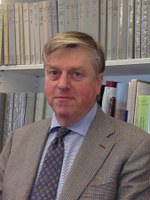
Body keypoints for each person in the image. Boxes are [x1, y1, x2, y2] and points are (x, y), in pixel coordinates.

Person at [0, 31, 150, 200]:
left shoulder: (135, 147)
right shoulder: (18, 139)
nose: (63, 84)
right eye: (54, 73)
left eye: (76, 74)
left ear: (98, 82)